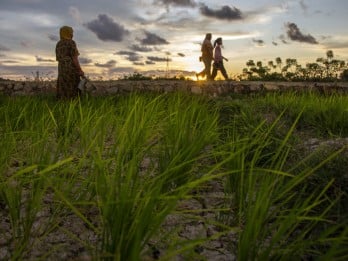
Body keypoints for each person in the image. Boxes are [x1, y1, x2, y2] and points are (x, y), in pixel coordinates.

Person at [55, 26, 84, 99]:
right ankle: (73, 103)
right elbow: (74, 58)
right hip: (70, 67)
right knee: (73, 84)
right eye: (71, 32)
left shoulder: (58, 44)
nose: (72, 34)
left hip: (61, 67)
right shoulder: (71, 42)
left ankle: (63, 102)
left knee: (63, 84)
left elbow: (58, 58)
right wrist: (79, 70)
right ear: (68, 33)